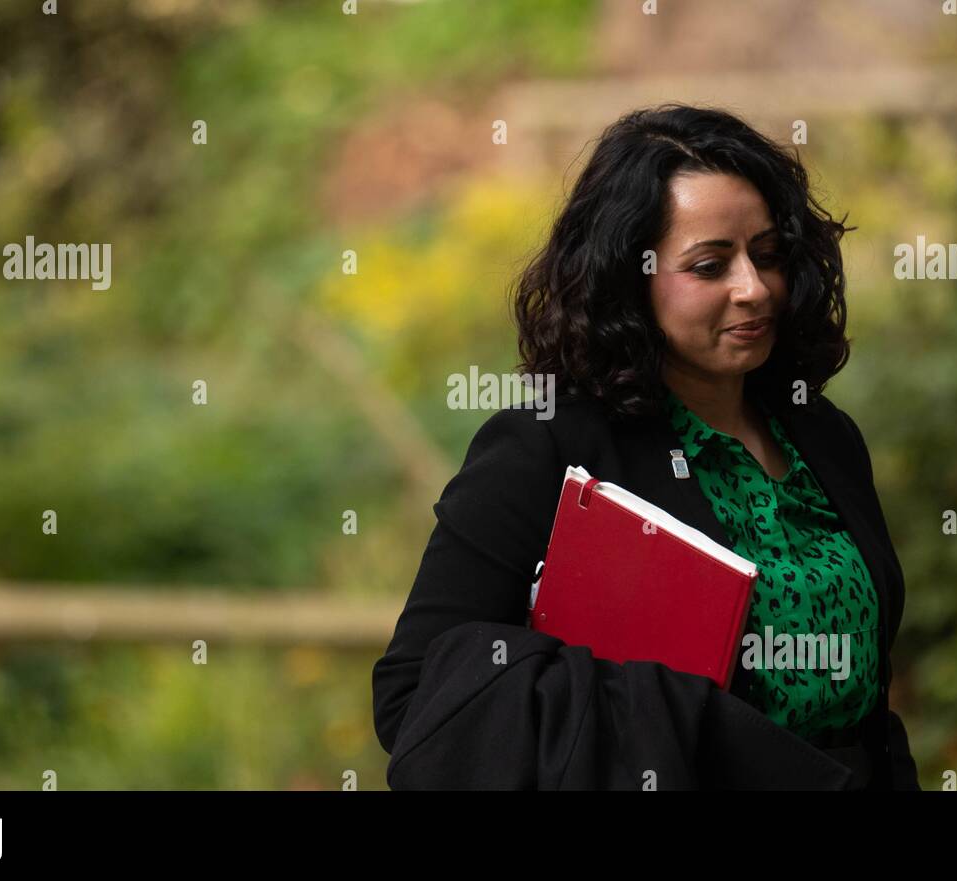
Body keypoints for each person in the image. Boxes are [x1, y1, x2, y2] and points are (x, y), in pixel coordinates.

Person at [371, 103, 920, 790]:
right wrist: (644, 712)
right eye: (710, 265)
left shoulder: (822, 435)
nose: (753, 289)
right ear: (631, 279)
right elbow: (413, 694)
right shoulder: (545, 448)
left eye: (769, 255)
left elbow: (871, 701)